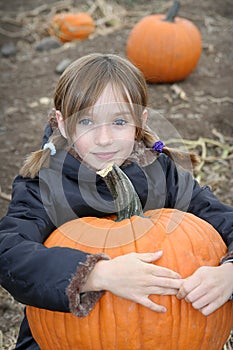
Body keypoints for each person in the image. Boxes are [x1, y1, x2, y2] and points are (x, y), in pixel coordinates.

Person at [0, 53, 232, 349]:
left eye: (119, 121)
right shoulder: (44, 184)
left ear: (139, 121)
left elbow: (224, 221)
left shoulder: (161, 173)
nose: (105, 138)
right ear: (63, 123)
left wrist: (229, 273)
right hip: (65, 338)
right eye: (86, 121)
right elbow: (9, 253)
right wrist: (96, 274)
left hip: (166, 334)